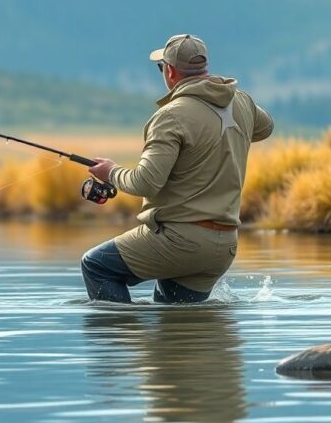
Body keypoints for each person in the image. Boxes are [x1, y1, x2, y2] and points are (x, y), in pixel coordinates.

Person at [81, 34, 273, 304]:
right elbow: (265, 127)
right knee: (175, 321)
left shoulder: (170, 115)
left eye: (161, 67)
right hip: (223, 245)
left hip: (179, 241)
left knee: (96, 266)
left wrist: (111, 172)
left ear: (170, 71)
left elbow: (146, 182)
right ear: (204, 66)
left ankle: (122, 344)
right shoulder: (241, 100)